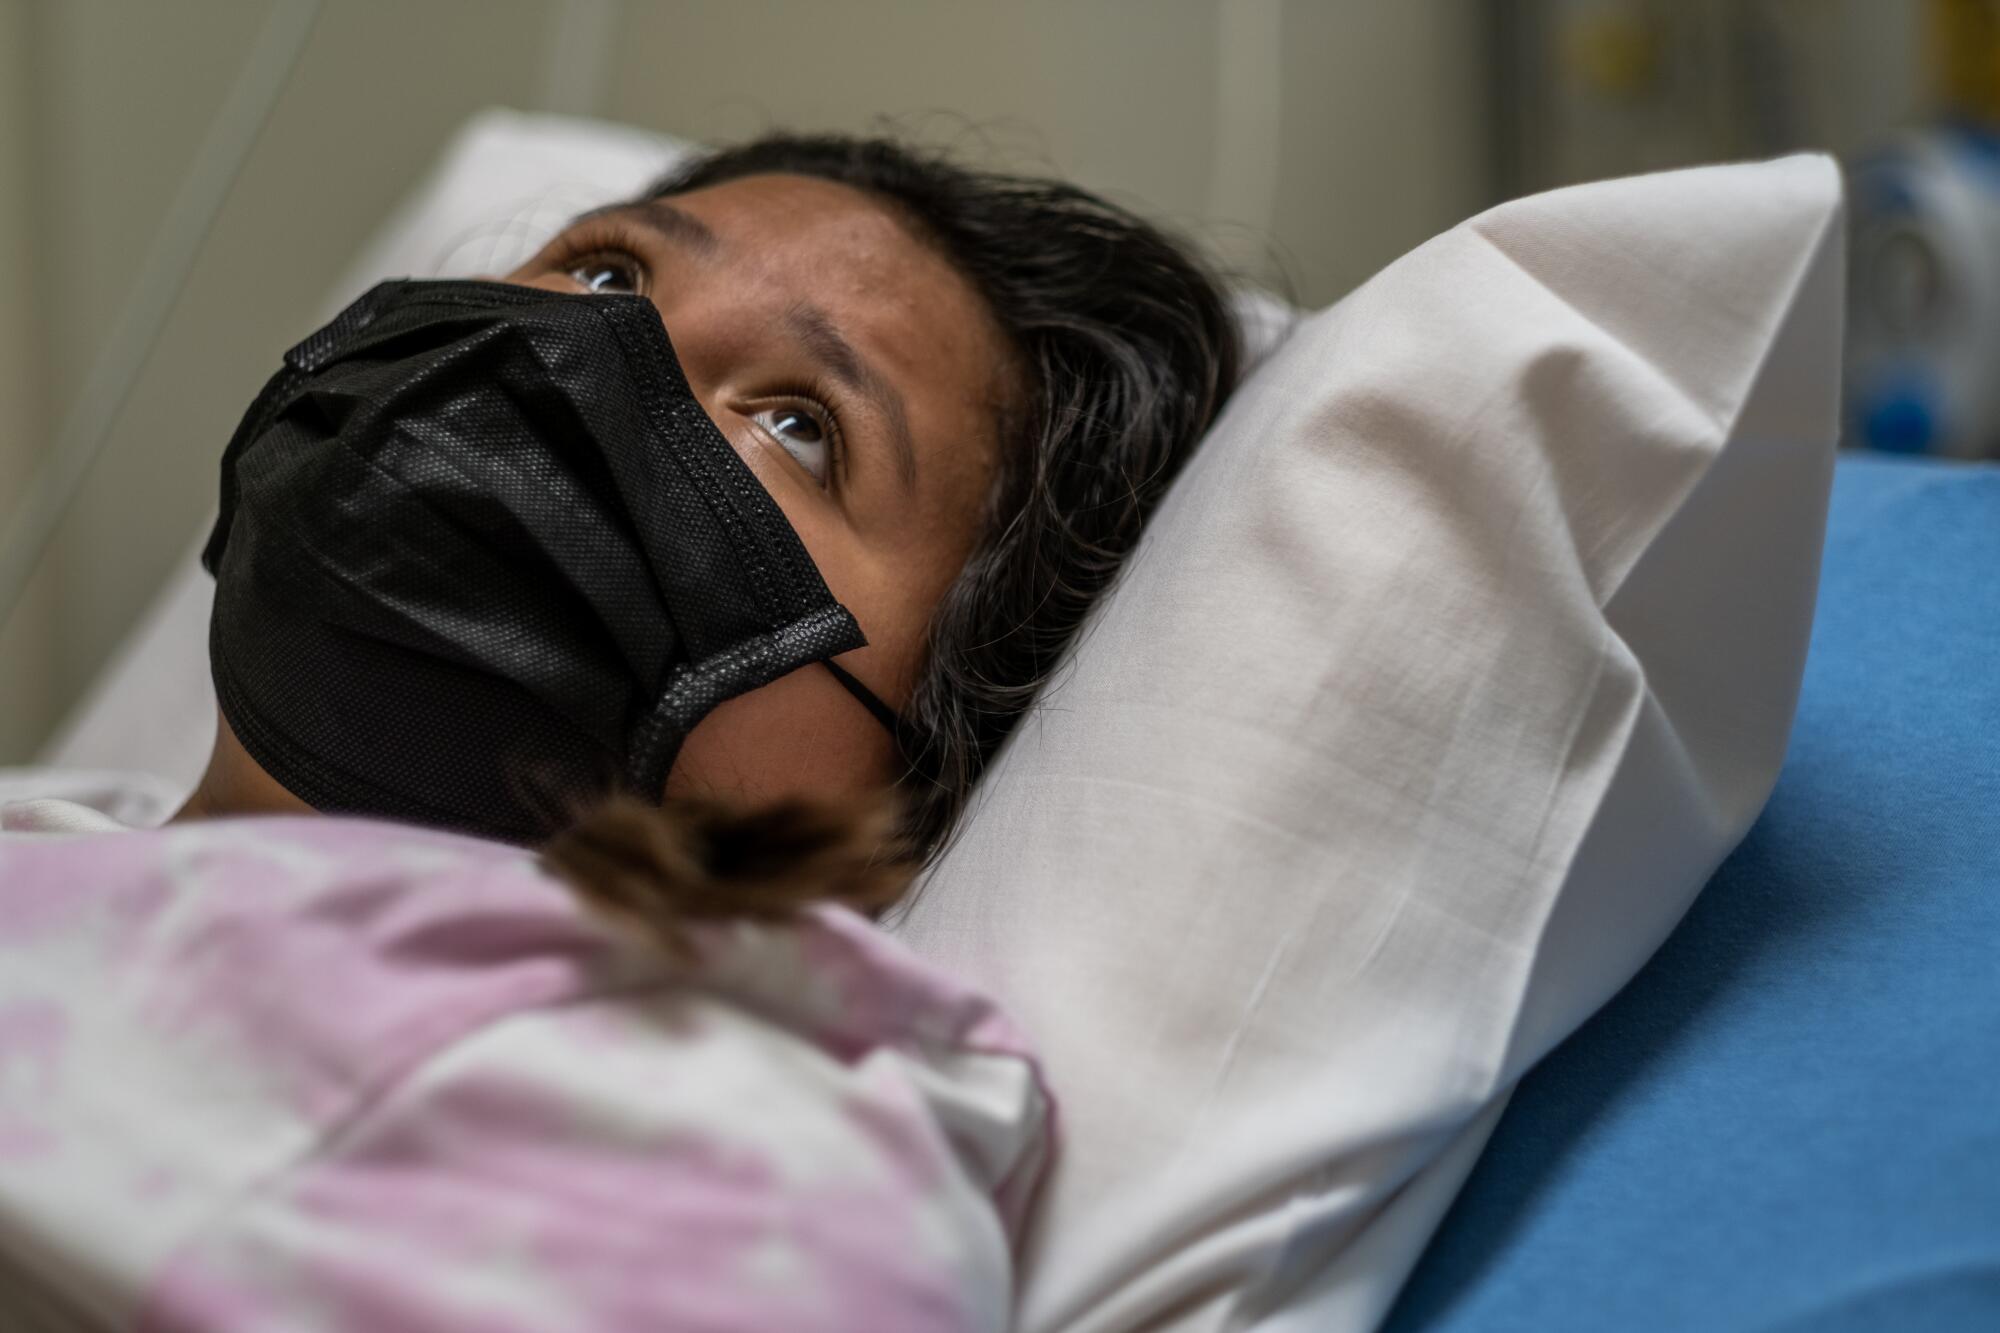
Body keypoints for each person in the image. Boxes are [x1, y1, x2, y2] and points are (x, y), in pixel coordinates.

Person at [168, 131, 1243, 938]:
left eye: (799, 426)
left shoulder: (711, 1150)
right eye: (606, 273)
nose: (584, 354)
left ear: (907, 786)